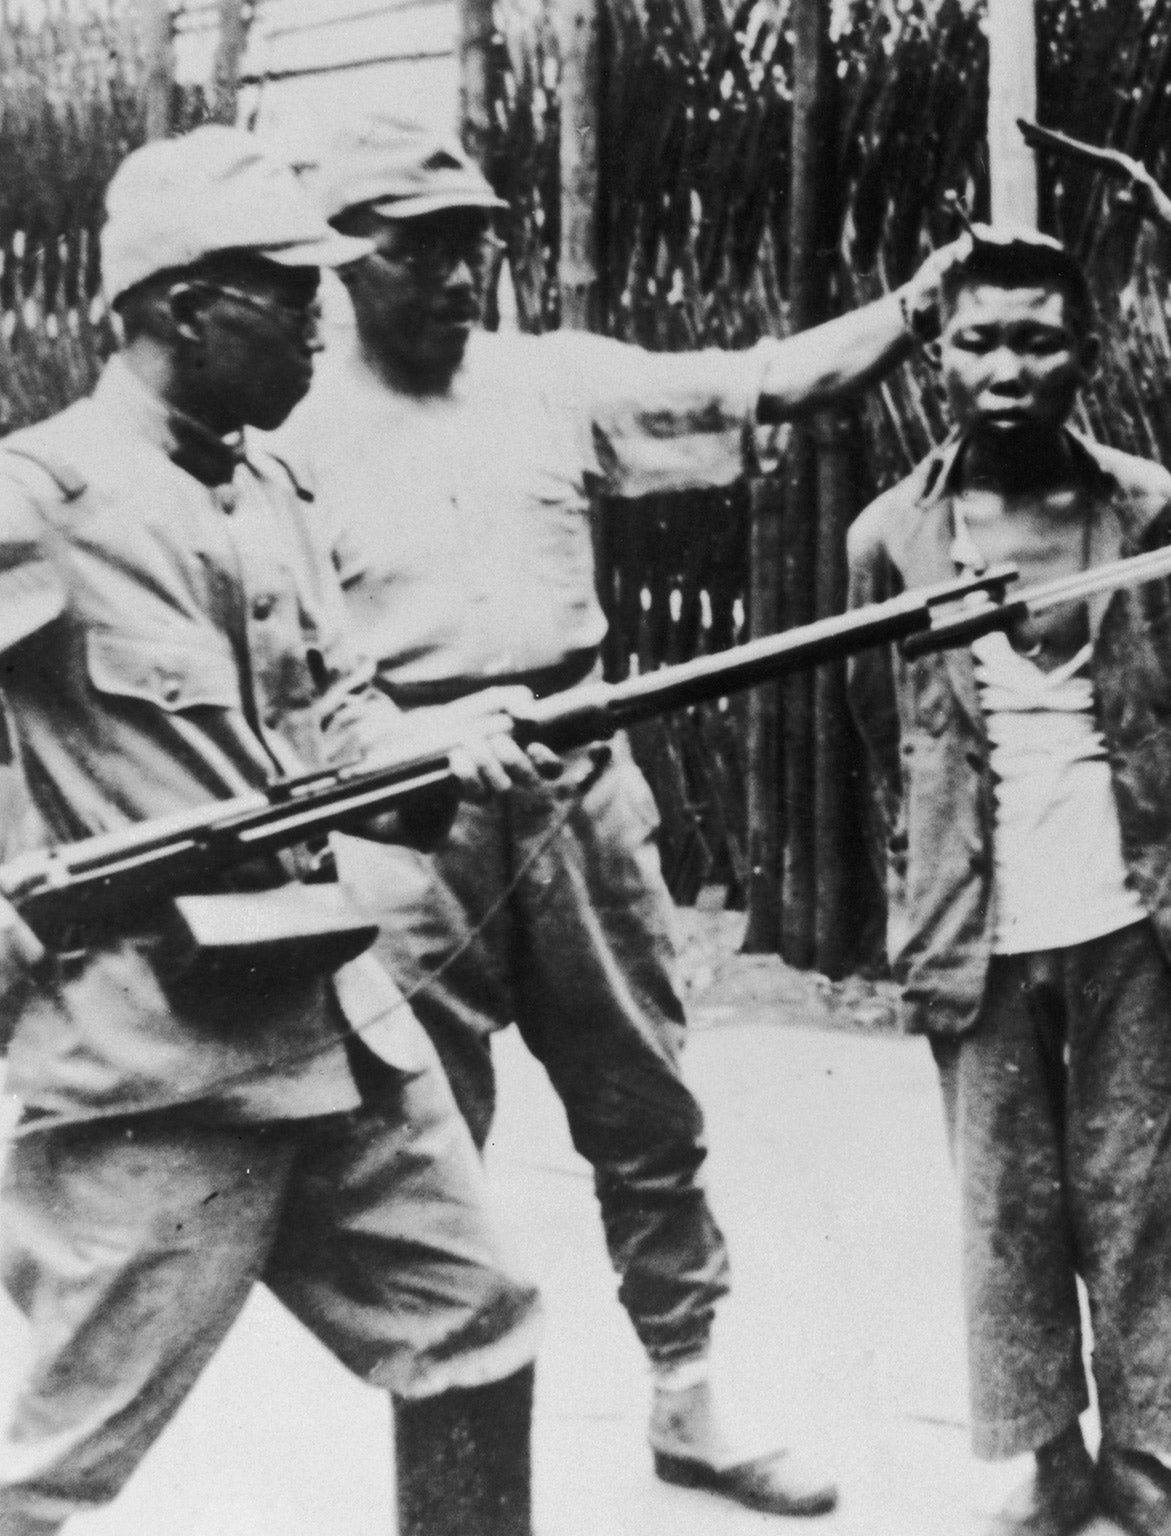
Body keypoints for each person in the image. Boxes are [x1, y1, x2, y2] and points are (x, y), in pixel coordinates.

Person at [277, 112, 966, 1517]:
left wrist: (920, 306)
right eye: (425, 255)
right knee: (425, 1151)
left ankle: (691, 1404)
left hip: (579, 788)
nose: (462, 281)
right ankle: (449, 1475)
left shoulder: (555, 381)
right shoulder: (284, 432)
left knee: (646, 1112)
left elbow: (768, 384)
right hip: (401, 819)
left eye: (476, 251)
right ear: (348, 262)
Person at [0, 127, 565, 1536]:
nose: (326, 316)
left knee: (478, 1331)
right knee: (53, 1457)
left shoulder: (270, 492)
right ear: (184, 305)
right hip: (158, 1059)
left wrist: (447, 743)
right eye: (288, 289)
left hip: (338, 1030)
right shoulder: (40, 499)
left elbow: (341, 720)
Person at [846, 230, 1171, 1536]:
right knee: (1009, 1205)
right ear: (937, 357)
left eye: (1039, 339)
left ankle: (1146, 1455)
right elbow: (881, 732)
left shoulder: (1153, 511)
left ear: (1089, 355)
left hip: (1136, 910)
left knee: (1149, 1198)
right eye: (980, 339)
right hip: (980, 922)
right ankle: (1051, 1462)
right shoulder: (890, 539)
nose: (1009, 368)